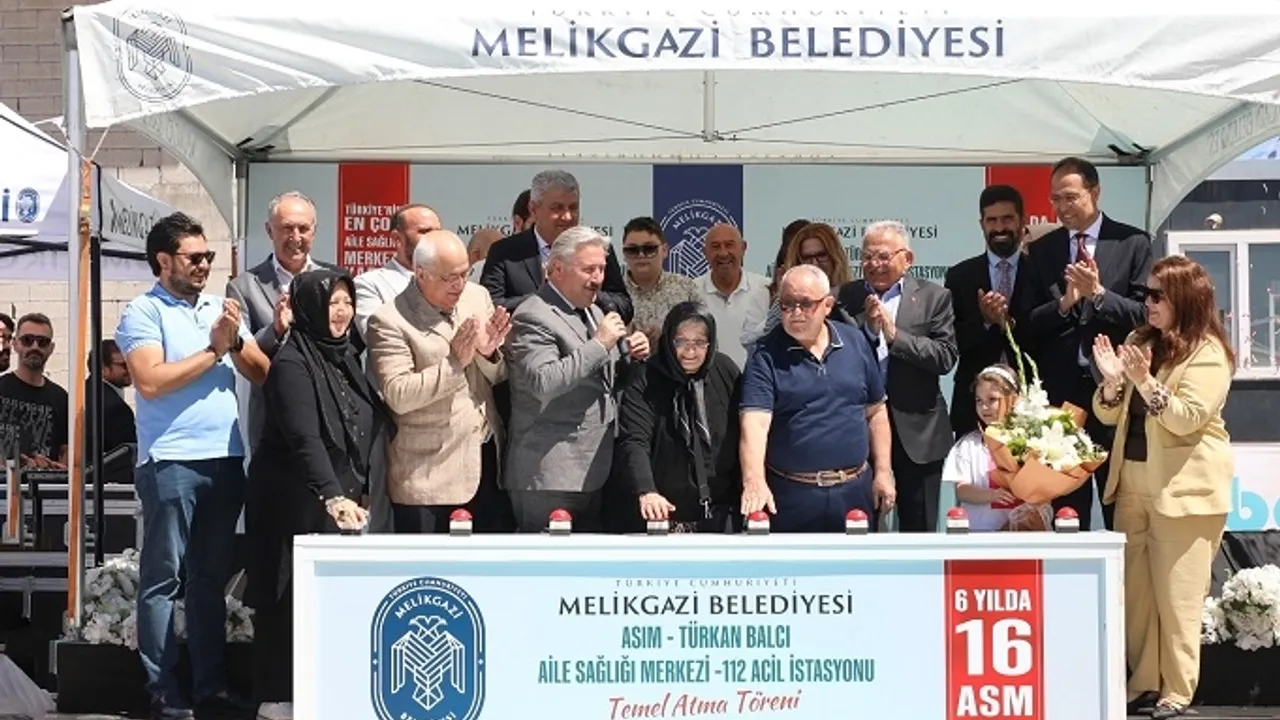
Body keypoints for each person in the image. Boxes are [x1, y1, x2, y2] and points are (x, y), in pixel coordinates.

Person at [116, 211, 269, 720]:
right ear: (164, 260)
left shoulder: (219, 308)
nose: (204, 265)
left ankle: (210, 687)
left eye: (209, 256)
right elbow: (150, 381)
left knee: (209, 579)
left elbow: (262, 373)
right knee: (163, 579)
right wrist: (213, 350)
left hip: (224, 459)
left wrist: (235, 340)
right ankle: (161, 688)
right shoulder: (142, 311)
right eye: (194, 257)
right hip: (171, 462)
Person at [1091, 256, 1234, 719]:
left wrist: (1144, 381)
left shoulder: (1208, 352)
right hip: (1132, 479)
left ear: (1184, 300)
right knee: (1135, 595)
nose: (1147, 303)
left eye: (1157, 296)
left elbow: (1187, 418)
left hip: (1184, 488)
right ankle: (1144, 683)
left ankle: (1177, 689)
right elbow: (1108, 412)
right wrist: (1112, 384)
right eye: (1146, 294)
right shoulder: (1139, 340)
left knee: (1178, 597)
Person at [245, 269, 391, 720]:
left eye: (347, 302)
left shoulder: (345, 357)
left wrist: (360, 490)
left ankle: (321, 689)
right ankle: (276, 696)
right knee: (284, 595)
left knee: (325, 599)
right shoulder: (292, 363)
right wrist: (333, 495)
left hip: (336, 498)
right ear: (309, 308)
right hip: (290, 499)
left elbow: (362, 425)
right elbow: (304, 437)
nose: (342, 312)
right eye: (332, 303)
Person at [1021, 156, 1153, 530]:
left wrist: (1098, 295)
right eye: (1055, 199)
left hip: (1115, 391)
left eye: (1070, 197)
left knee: (1119, 504)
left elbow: (1145, 316)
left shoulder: (1131, 242)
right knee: (1067, 511)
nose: (1061, 207)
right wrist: (1064, 304)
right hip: (1061, 398)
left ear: (1095, 192)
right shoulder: (1041, 250)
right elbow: (1027, 324)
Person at [505, 226, 650, 532]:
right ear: (557, 269)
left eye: (601, 269)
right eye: (588, 269)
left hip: (596, 469)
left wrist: (632, 356)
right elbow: (544, 382)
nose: (598, 279)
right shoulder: (533, 315)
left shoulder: (594, 311)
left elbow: (605, 380)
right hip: (550, 474)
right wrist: (600, 344)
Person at [367, 231, 511, 533]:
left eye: (465, 273)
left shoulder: (477, 297)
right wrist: (455, 363)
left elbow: (499, 375)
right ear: (421, 273)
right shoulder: (389, 320)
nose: (460, 285)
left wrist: (489, 354)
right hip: (427, 476)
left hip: (484, 462)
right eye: (450, 278)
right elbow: (399, 395)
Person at [739, 265, 894, 532]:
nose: (796, 312)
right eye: (787, 304)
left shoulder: (855, 342)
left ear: (828, 305)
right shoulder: (764, 354)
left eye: (806, 304)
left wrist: (883, 472)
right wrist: (754, 481)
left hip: (854, 493)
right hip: (791, 497)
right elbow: (755, 424)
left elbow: (876, 412)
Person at [837, 220, 957, 532]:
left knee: (920, 531)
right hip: (859, 432)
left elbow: (945, 356)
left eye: (883, 256)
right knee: (861, 528)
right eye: (867, 257)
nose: (874, 264)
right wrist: (869, 331)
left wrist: (894, 336)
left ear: (908, 259)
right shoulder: (843, 298)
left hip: (918, 434)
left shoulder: (934, 297)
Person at [615, 302, 742, 533]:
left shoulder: (725, 371)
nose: (690, 352)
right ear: (668, 340)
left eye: (699, 343)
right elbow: (634, 440)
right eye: (681, 342)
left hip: (720, 514)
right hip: (660, 514)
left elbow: (745, 434)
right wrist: (647, 491)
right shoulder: (645, 378)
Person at [227, 191, 340, 450]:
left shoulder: (335, 278)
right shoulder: (244, 287)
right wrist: (275, 330)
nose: (296, 238)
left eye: (303, 229)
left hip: (328, 412)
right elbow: (241, 353)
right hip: (273, 416)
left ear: (314, 231)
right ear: (269, 231)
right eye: (287, 228)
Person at [481, 169, 632, 321]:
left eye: (573, 207)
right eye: (557, 208)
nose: (567, 217)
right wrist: (549, 296)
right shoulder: (505, 252)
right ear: (533, 209)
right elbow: (489, 307)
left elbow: (624, 308)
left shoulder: (596, 249)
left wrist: (586, 290)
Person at [946, 185, 1031, 437]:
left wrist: (1008, 323)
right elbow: (951, 341)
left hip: (1030, 400)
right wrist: (983, 320)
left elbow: (1050, 333)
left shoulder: (1041, 271)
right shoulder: (960, 276)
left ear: (1022, 221)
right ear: (981, 224)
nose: (999, 227)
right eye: (991, 220)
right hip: (973, 406)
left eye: (1007, 219)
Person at [941, 364, 1031, 531]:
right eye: (979, 400)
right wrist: (991, 495)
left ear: (1013, 399)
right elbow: (962, 490)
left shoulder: (1032, 442)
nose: (984, 407)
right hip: (980, 532)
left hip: (1022, 533)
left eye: (992, 399)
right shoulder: (969, 445)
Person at [0, 313, 67, 468]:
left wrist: (54, 468)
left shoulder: (61, 398)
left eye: (42, 342)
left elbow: (68, 453)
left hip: (43, 482)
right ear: (15, 344)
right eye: (27, 340)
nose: (35, 347)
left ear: (51, 348)